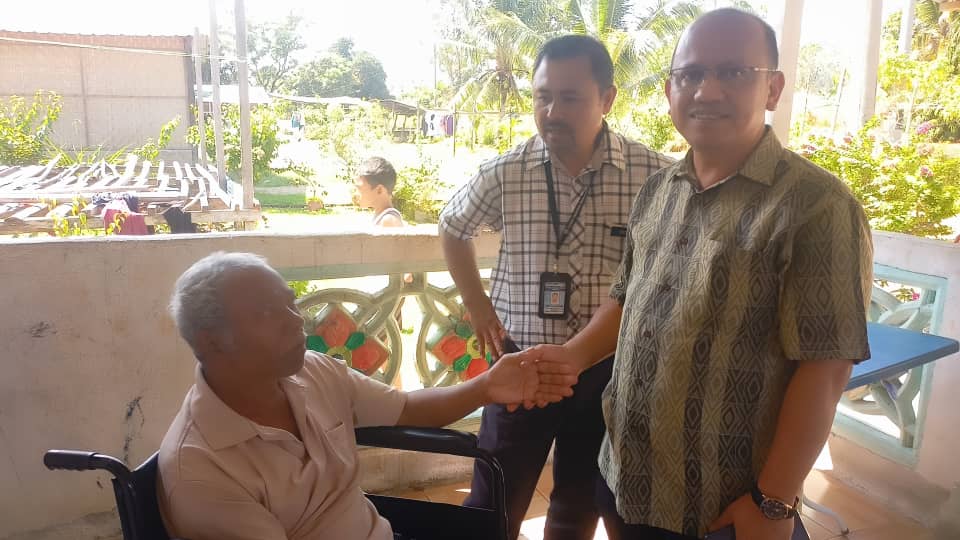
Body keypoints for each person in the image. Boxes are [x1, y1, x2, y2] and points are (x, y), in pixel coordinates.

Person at [535, 9, 874, 540]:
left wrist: (773, 500)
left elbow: (826, 367)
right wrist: (570, 358)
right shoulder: (658, 190)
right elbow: (625, 299)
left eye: (734, 72)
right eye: (690, 74)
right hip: (623, 476)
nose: (707, 91)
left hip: (722, 507)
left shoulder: (816, 205)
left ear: (773, 88)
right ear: (669, 91)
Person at [157, 252, 579, 540]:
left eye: (290, 303)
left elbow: (407, 408)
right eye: (266, 313)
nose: (295, 321)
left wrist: (486, 386)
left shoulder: (311, 371)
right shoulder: (201, 471)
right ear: (212, 341)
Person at [439, 35, 672, 540]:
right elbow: (452, 226)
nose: (552, 112)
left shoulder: (653, 176)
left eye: (569, 98)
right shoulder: (506, 172)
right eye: (543, 97)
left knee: (578, 502)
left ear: (606, 99)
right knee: (494, 498)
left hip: (606, 368)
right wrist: (476, 303)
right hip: (521, 364)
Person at [354, 157, 404, 228]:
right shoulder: (381, 216)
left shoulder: (389, 221)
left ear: (379, 190)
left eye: (359, 189)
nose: (356, 194)